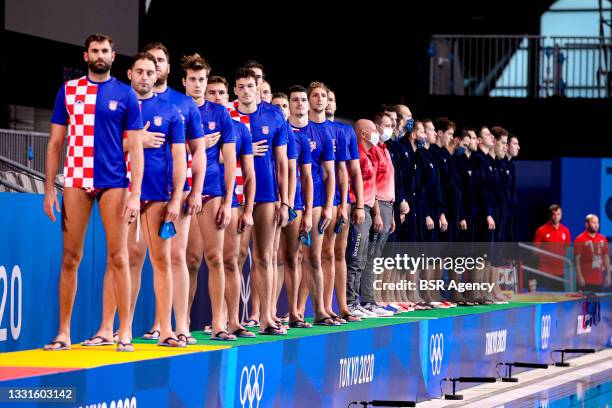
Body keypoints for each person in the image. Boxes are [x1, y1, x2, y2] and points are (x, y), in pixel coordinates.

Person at [43, 33, 144, 351]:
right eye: (95, 50)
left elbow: (137, 149)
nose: (100, 55)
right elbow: (55, 143)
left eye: (105, 51)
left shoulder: (126, 95)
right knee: (70, 258)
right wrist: (48, 190)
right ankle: (63, 333)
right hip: (75, 179)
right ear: (86, 56)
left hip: (114, 182)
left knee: (119, 257)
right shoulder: (69, 91)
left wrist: (135, 192)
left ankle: (123, 331)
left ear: (114, 56)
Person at [140, 42, 206, 342]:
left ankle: (179, 325)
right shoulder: (132, 102)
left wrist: (194, 191)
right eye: (150, 61)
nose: (155, 66)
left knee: (177, 258)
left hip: (175, 193)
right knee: (138, 259)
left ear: (166, 68)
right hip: (136, 192)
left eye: (160, 61)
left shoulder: (184, 104)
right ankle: (156, 323)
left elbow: (198, 152)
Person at [227, 68, 289, 335]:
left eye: (251, 86)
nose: (246, 91)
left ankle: (267, 317)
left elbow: (284, 163)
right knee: (235, 257)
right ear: (235, 90)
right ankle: (233, 320)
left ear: (258, 86)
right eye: (241, 86)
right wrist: (247, 147)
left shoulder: (274, 115)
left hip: (266, 194)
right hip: (234, 194)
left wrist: (285, 201)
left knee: (265, 257)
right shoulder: (226, 114)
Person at [181, 53, 237, 341]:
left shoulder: (220, 114)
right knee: (188, 260)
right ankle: (181, 324)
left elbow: (230, 161)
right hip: (180, 191)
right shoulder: (175, 108)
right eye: (193, 79)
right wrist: (198, 143)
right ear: (184, 82)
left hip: (212, 191)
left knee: (214, 257)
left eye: (202, 79)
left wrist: (228, 201)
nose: (198, 84)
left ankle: (218, 323)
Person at [205, 75, 257, 338]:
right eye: (211, 92)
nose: (216, 97)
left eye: (221, 93)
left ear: (229, 98)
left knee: (230, 261)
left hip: (231, 200)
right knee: (190, 261)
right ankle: (170, 326)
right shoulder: (193, 120)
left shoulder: (239, 129)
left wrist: (247, 210)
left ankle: (233, 321)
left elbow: (249, 173)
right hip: (196, 197)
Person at [306, 82, 350, 324]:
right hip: (304, 200)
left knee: (328, 253)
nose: (320, 99)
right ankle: (303, 310)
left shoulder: (339, 132)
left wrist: (343, 203)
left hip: (329, 201)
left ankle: (328, 306)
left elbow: (341, 171)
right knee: (307, 256)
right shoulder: (301, 126)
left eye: (324, 95)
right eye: (315, 95)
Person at [325, 89, 365, 322]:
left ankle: (342, 307)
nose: (327, 102)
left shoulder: (344, 131)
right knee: (313, 257)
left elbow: (353, 172)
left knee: (339, 254)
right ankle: (306, 310)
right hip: (317, 201)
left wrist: (356, 204)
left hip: (342, 201)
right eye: (322, 98)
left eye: (331, 99)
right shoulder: (309, 128)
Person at [284, 85, 314, 327]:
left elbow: (307, 177)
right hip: (269, 203)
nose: (298, 104)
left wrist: (306, 209)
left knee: (295, 257)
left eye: (302, 100)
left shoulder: (302, 139)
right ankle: (262, 314)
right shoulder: (277, 132)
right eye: (293, 101)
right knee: (268, 259)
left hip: (295, 205)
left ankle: (295, 312)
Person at [533, 204, 572, 291]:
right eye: (554, 214)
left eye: (558, 214)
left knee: (560, 299)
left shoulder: (566, 231)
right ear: (550, 215)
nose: (556, 217)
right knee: (545, 298)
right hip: (545, 270)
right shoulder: (541, 230)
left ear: (561, 215)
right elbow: (535, 251)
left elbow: (567, 249)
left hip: (559, 271)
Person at [574, 214, 610, 292]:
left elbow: (606, 257)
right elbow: (577, 260)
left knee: (596, 303)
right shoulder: (580, 239)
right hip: (585, 281)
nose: (596, 225)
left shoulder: (603, 238)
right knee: (582, 304)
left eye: (597, 222)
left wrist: (608, 275)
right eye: (594, 223)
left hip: (599, 281)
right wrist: (579, 276)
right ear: (587, 224)